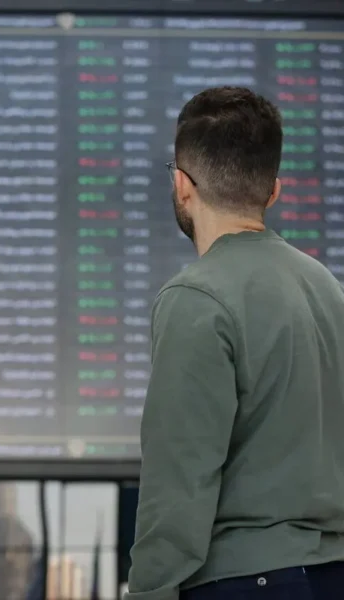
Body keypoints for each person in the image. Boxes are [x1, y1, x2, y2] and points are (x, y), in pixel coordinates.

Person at [125, 87, 344, 600]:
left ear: (182, 185)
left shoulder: (196, 297)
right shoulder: (328, 288)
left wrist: (149, 591)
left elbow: (178, 479)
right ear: (274, 192)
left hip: (244, 581)